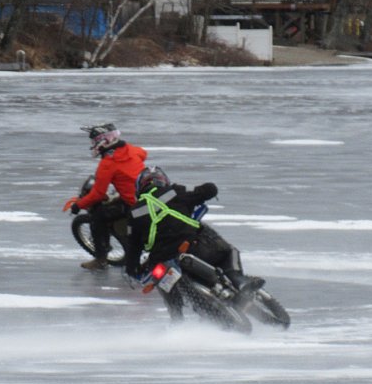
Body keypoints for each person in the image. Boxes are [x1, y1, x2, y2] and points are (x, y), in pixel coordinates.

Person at [125, 166, 264, 301]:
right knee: (228, 251)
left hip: (160, 258)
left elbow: (132, 246)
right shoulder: (174, 191)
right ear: (163, 180)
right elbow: (210, 189)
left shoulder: (133, 213)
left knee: (163, 283)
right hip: (189, 245)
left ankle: (177, 319)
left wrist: (133, 270)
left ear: (139, 187)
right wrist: (202, 193)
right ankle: (240, 281)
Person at [69, 123, 147, 270]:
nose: (93, 145)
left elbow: (98, 193)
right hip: (145, 196)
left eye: (94, 142)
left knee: (98, 217)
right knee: (116, 201)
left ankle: (101, 258)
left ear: (102, 141)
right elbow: (144, 154)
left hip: (133, 204)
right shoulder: (132, 150)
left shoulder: (108, 164)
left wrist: (78, 205)